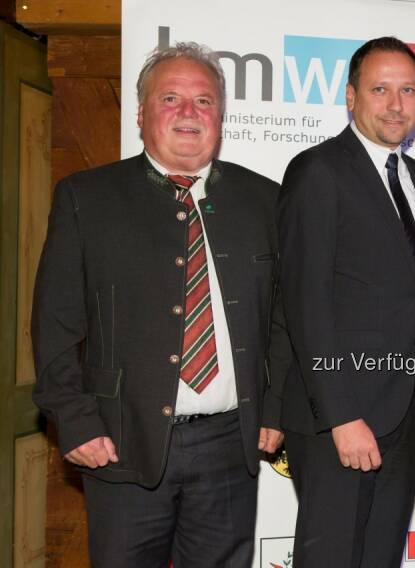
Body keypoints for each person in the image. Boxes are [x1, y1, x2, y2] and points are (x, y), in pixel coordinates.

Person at [32, 42, 284, 567]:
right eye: (171, 99)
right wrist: (76, 422)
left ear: (221, 115)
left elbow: (282, 321)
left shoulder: (265, 199)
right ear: (142, 113)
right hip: (121, 444)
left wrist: (275, 406)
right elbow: (55, 327)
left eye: (205, 101)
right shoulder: (86, 197)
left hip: (229, 448)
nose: (190, 113)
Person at [276, 36, 415, 567]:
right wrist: (341, 417)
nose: (397, 104)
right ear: (351, 97)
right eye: (380, 89)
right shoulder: (318, 172)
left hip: (402, 417)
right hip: (341, 420)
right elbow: (304, 304)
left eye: (408, 90)